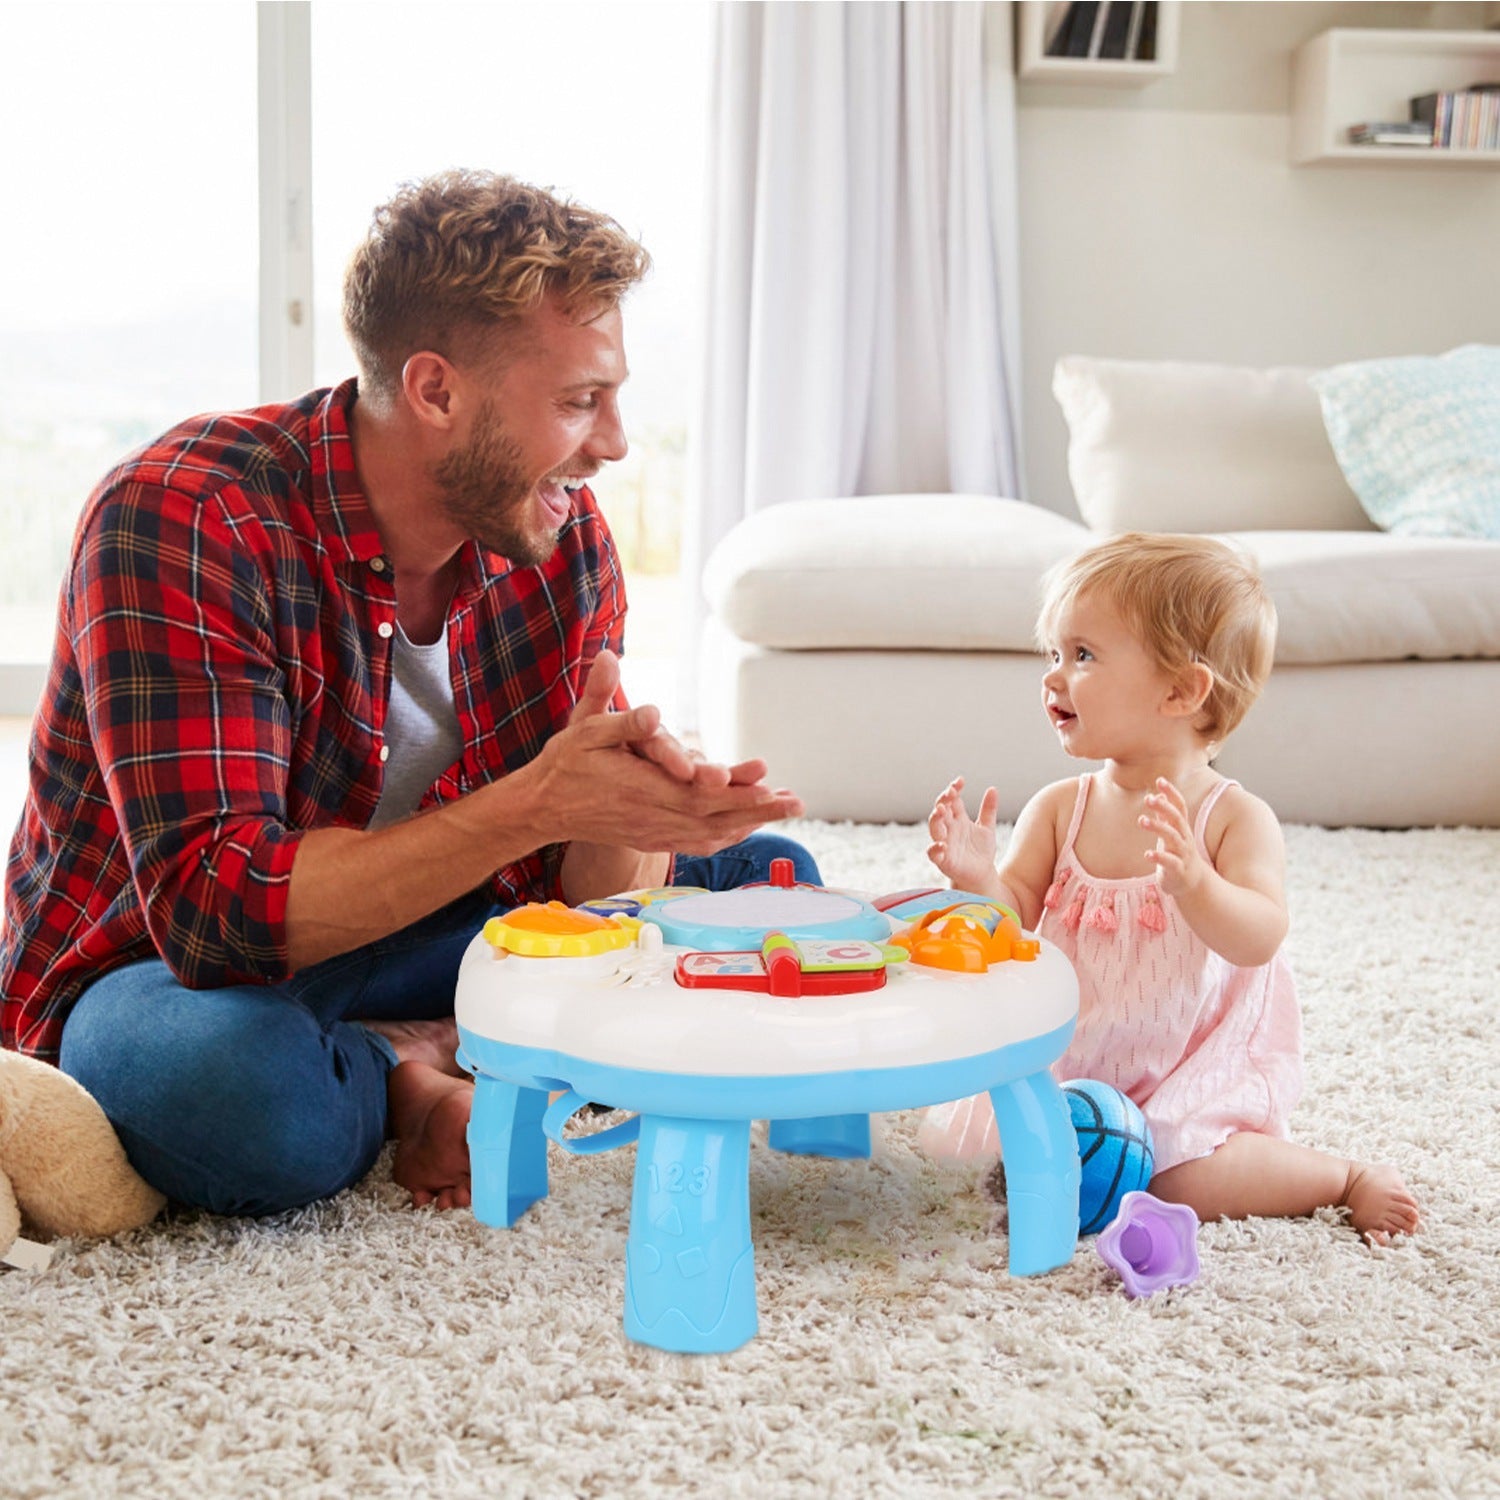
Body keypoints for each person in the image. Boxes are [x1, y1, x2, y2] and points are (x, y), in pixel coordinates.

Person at [0, 169, 819, 1219]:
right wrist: (540, 804)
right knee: (229, 1092)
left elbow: (582, 898)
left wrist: (626, 809)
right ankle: (417, 1071)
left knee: (776, 885)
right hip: (189, 974)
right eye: (579, 402)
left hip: (450, 925)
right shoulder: (186, 516)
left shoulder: (557, 534)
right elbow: (216, 917)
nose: (614, 443)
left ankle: (435, 1048)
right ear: (436, 392)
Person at [921, 533, 1421, 1245]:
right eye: (1055, 653)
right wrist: (977, 880)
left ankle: (1340, 1176)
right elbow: (1012, 923)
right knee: (975, 1151)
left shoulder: (1233, 819)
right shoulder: (1060, 808)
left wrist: (1195, 884)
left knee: (1173, 1176)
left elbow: (1260, 935)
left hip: (1185, 1065)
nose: (1055, 676)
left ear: (1182, 691)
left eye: (1084, 655)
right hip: (1076, 1057)